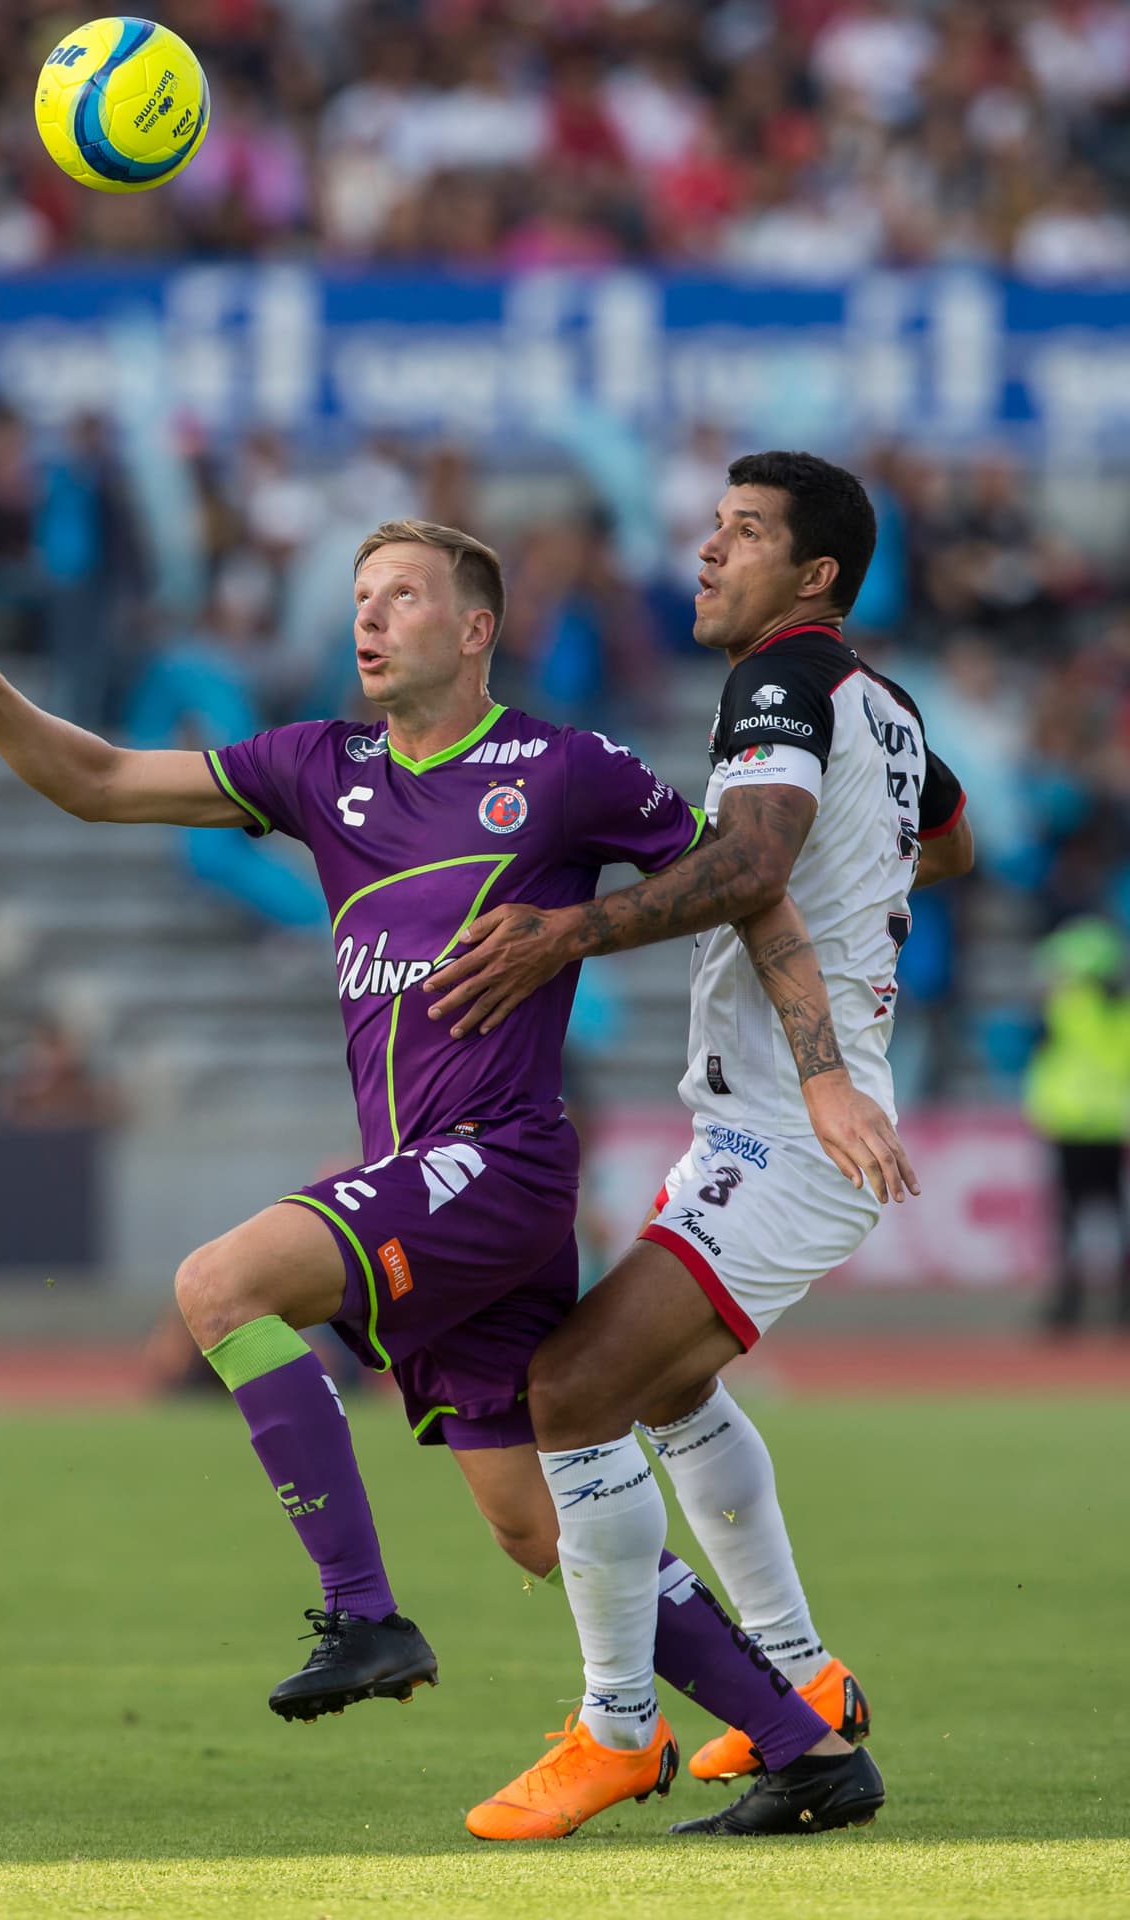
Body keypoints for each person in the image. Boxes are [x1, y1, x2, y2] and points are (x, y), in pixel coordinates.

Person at [0, 514, 912, 1835]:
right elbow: (96, 783)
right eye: (362, 596)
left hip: (497, 1164)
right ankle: (808, 1746)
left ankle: (364, 1617)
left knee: (220, 1288)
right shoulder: (320, 768)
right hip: (426, 1177)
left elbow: (749, 887)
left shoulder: (564, 769)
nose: (368, 619)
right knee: (545, 1532)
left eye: (404, 597)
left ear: (476, 628)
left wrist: (822, 1070)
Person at [426, 453, 974, 1839]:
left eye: (743, 533)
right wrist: (865, 882)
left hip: (796, 1128)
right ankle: (805, 1682)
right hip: (758, 1119)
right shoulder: (885, 702)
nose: (707, 551)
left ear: (815, 577)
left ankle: (621, 1727)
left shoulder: (780, 680)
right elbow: (950, 843)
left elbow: (749, 869)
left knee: (570, 1390)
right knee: (664, 1400)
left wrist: (568, 930)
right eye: (712, 526)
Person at [1022, 917, 1130, 1332]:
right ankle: (1121, 1306)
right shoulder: (1119, 1011)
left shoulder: (1067, 1006)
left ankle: (1068, 1307)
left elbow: (1038, 1013)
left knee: (1068, 1221)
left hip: (1070, 1125)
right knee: (1115, 1216)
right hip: (1110, 1125)